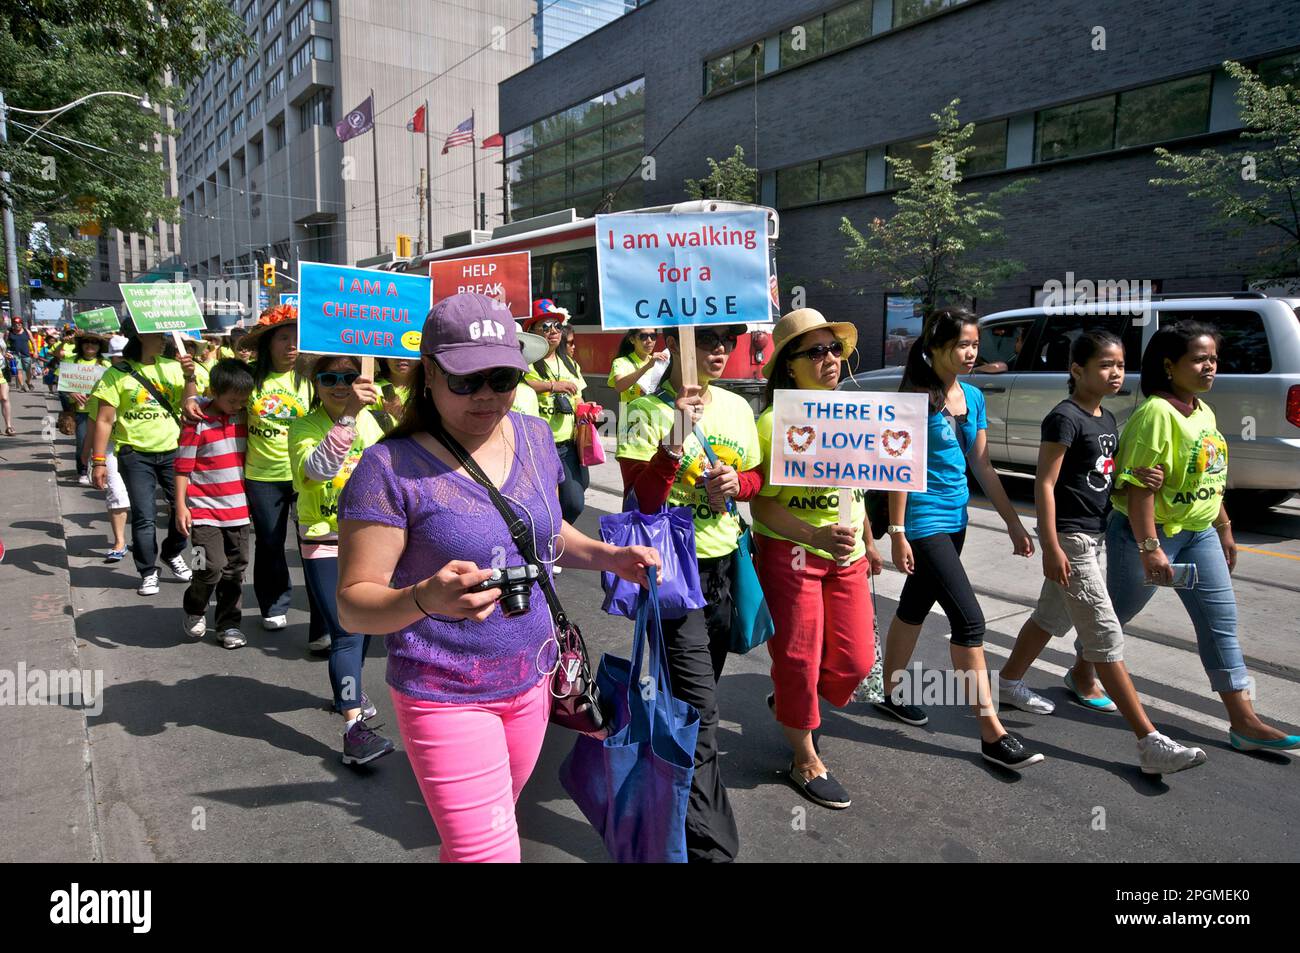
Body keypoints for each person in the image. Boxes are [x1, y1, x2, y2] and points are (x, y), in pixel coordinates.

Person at [335, 293, 659, 862]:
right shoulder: (387, 468)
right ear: (429, 373)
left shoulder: (535, 438)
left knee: (482, 838)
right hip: (444, 691)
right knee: (488, 853)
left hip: (535, 678)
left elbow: (546, 535)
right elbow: (355, 606)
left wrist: (608, 556)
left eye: (502, 377)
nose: (487, 395)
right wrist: (424, 598)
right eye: (466, 380)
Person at [998, 330, 1207, 774]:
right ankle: (1149, 741)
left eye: (1120, 364)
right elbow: (1046, 484)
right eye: (1106, 365)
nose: (1117, 373)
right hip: (1071, 539)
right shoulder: (1065, 418)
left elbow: (1101, 481)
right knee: (1106, 636)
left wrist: (1135, 481)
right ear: (1077, 370)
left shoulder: (1107, 420)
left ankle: (1010, 682)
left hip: (1093, 535)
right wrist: (1051, 544)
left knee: (1049, 618)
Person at [1105, 320, 1300, 752]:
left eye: (1213, 358)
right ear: (1170, 365)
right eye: (1199, 358)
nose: (1210, 366)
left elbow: (1210, 478)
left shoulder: (1203, 410)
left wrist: (1224, 527)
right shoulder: (1156, 414)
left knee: (1220, 625)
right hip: (1148, 535)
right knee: (1114, 617)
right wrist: (1150, 550)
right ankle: (1084, 668)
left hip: (1199, 534)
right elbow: (1139, 489)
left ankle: (1243, 720)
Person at [619, 322, 763, 862]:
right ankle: (708, 846)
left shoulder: (737, 408)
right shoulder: (641, 408)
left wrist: (737, 485)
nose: (722, 350)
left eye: (729, 340)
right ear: (678, 346)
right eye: (708, 340)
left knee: (691, 700)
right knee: (702, 708)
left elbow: (754, 477)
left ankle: (664, 796)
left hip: (723, 566)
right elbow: (643, 499)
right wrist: (675, 435)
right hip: (671, 574)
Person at [876, 308, 1044, 770]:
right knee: (969, 622)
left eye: (974, 344)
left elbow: (983, 466)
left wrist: (1012, 521)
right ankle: (992, 732)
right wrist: (897, 532)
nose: (971, 353)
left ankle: (891, 692)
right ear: (935, 349)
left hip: (957, 519)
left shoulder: (972, 396)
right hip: (924, 521)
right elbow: (897, 469)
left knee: (913, 607)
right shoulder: (913, 398)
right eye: (962, 345)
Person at [751, 309, 884, 809]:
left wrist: (869, 539)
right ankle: (804, 756)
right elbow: (760, 502)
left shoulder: (851, 413)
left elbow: (856, 485)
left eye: (834, 349)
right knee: (798, 657)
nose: (830, 359)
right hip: (792, 553)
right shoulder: (772, 423)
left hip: (846, 553)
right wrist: (813, 535)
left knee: (854, 662)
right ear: (790, 366)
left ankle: (791, 700)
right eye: (816, 351)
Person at [289, 354, 392, 764]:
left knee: (363, 630)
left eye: (348, 376)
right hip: (324, 540)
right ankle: (354, 730)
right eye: (328, 377)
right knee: (347, 632)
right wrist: (349, 415)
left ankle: (345, 693)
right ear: (315, 383)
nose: (339, 384)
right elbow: (316, 470)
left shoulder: (373, 420)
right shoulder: (303, 426)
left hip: (369, 538)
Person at [189, 306, 315, 640]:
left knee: (313, 544)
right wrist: (193, 399)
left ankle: (321, 614)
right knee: (271, 544)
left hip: (305, 474)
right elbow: (220, 399)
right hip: (262, 476)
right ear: (268, 344)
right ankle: (274, 605)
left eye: (296, 339)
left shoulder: (311, 381)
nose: (291, 346)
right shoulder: (251, 380)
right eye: (283, 338)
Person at [90, 323, 196, 595]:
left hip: (173, 451)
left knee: (183, 508)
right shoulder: (116, 374)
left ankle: (172, 553)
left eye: (164, 335)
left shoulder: (173, 367)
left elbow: (189, 405)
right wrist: (99, 460)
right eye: (158, 335)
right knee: (144, 516)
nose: (163, 340)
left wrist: (189, 377)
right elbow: (103, 420)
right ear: (139, 336)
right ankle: (148, 571)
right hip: (135, 455)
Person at [175, 358, 254, 650]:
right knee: (206, 566)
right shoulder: (197, 421)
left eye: (243, 401)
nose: (238, 406)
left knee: (235, 570)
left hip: (238, 511)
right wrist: (181, 507)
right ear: (215, 392)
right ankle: (195, 606)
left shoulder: (247, 416)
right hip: (203, 510)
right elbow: (182, 467)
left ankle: (228, 625)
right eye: (232, 400)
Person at [523, 299, 587, 523]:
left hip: (569, 445)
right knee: (548, 501)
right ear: (531, 332)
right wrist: (551, 386)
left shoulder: (570, 363)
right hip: (538, 445)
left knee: (574, 501)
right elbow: (519, 384)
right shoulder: (526, 362)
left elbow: (579, 397)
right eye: (546, 326)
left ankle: (557, 535)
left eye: (557, 326)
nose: (553, 331)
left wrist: (587, 411)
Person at [80, 335, 131, 560]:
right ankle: (119, 541)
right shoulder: (104, 384)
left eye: (124, 357)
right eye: (116, 358)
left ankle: (142, 539)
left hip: (138, 445)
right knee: (117, 492)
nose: (120, 362)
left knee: (140, 497)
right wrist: (88, 453)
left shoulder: (146, 379)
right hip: (109, 447)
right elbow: (95, 422)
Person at [67, 331, 111, 485]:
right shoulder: (72, 361)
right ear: (81, 345)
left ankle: (100, 471)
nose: (90, 345)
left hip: (102, 411)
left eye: (94, 342)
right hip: (82, 410)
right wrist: (71, 392)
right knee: (82, 443)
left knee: (102, 444)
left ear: (99, 347)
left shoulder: (106, 364)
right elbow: (63, 385)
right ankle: (83, 471)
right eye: (87, 342)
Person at [369, 357, 417, 433]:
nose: (402, 358)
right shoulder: (371, 390)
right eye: (395, 352)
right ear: (385, 358)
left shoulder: (431, 391)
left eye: (408, 351)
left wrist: (401, 417)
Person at [6, 317, 33, 391]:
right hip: (14, 354)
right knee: (19, 370)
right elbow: (5, 343)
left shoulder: (26, 331)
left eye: (19, 324)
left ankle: (28, 381)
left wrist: (36, 352)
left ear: (21, 324)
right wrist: (6, 352)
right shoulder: (9, 332)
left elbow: (33, 342)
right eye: (15, 324)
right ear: (13, 324)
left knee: (29, 370)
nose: (17, 325)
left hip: (26, 354)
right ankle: (22, 386)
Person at [0, 334, 14, 435]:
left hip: (2, 372)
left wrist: (7, 356)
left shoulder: (1, 336)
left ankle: (8, 426)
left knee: (4, 398)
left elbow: (3, 353)